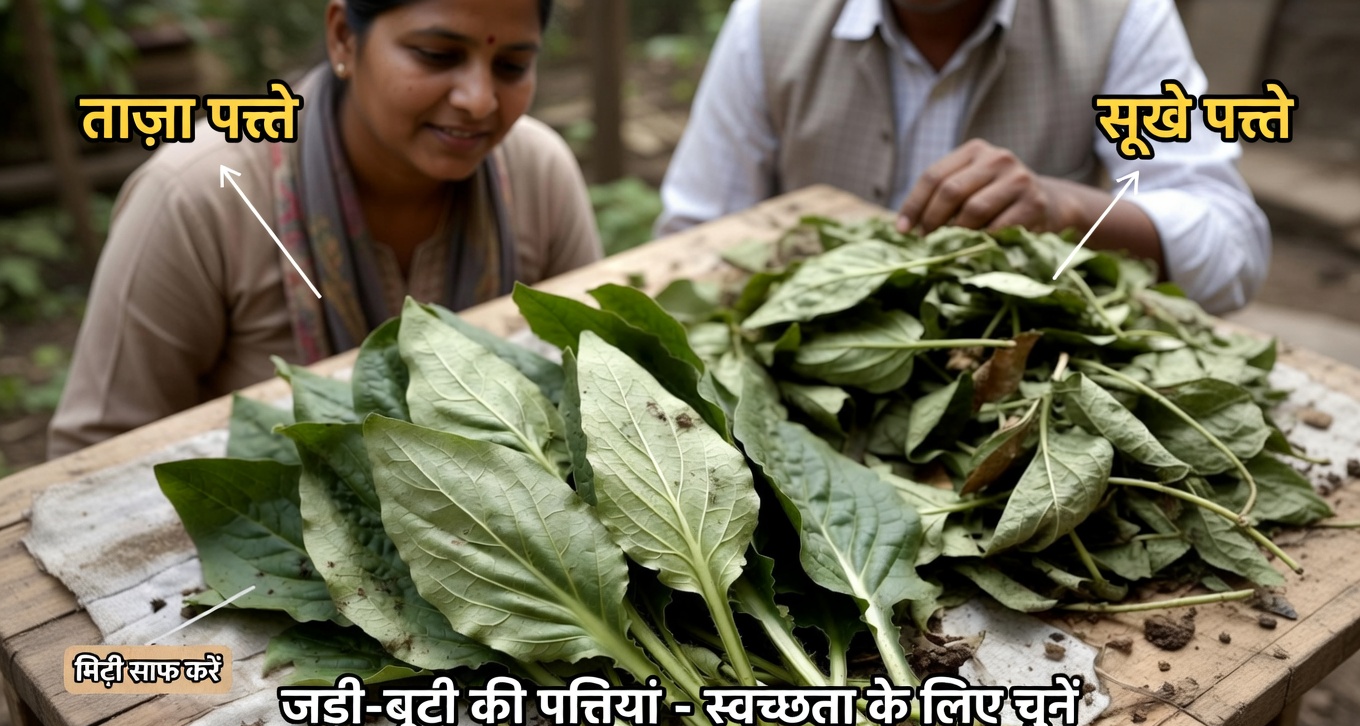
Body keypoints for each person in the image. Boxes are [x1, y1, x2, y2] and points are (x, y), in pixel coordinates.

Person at [49, 0, 602, 458]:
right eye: (436, 55)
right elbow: (96, 456)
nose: (478, 99)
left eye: (511, 66)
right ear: (343, 38)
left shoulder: (536, 172)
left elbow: (592, 389)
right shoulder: (199, 195)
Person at [657, 0, 1269, 315]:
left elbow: (1232, 246)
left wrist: (1067, 211)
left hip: (1023, 394)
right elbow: (692, 239)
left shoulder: (1117, 16)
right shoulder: (773, 17)